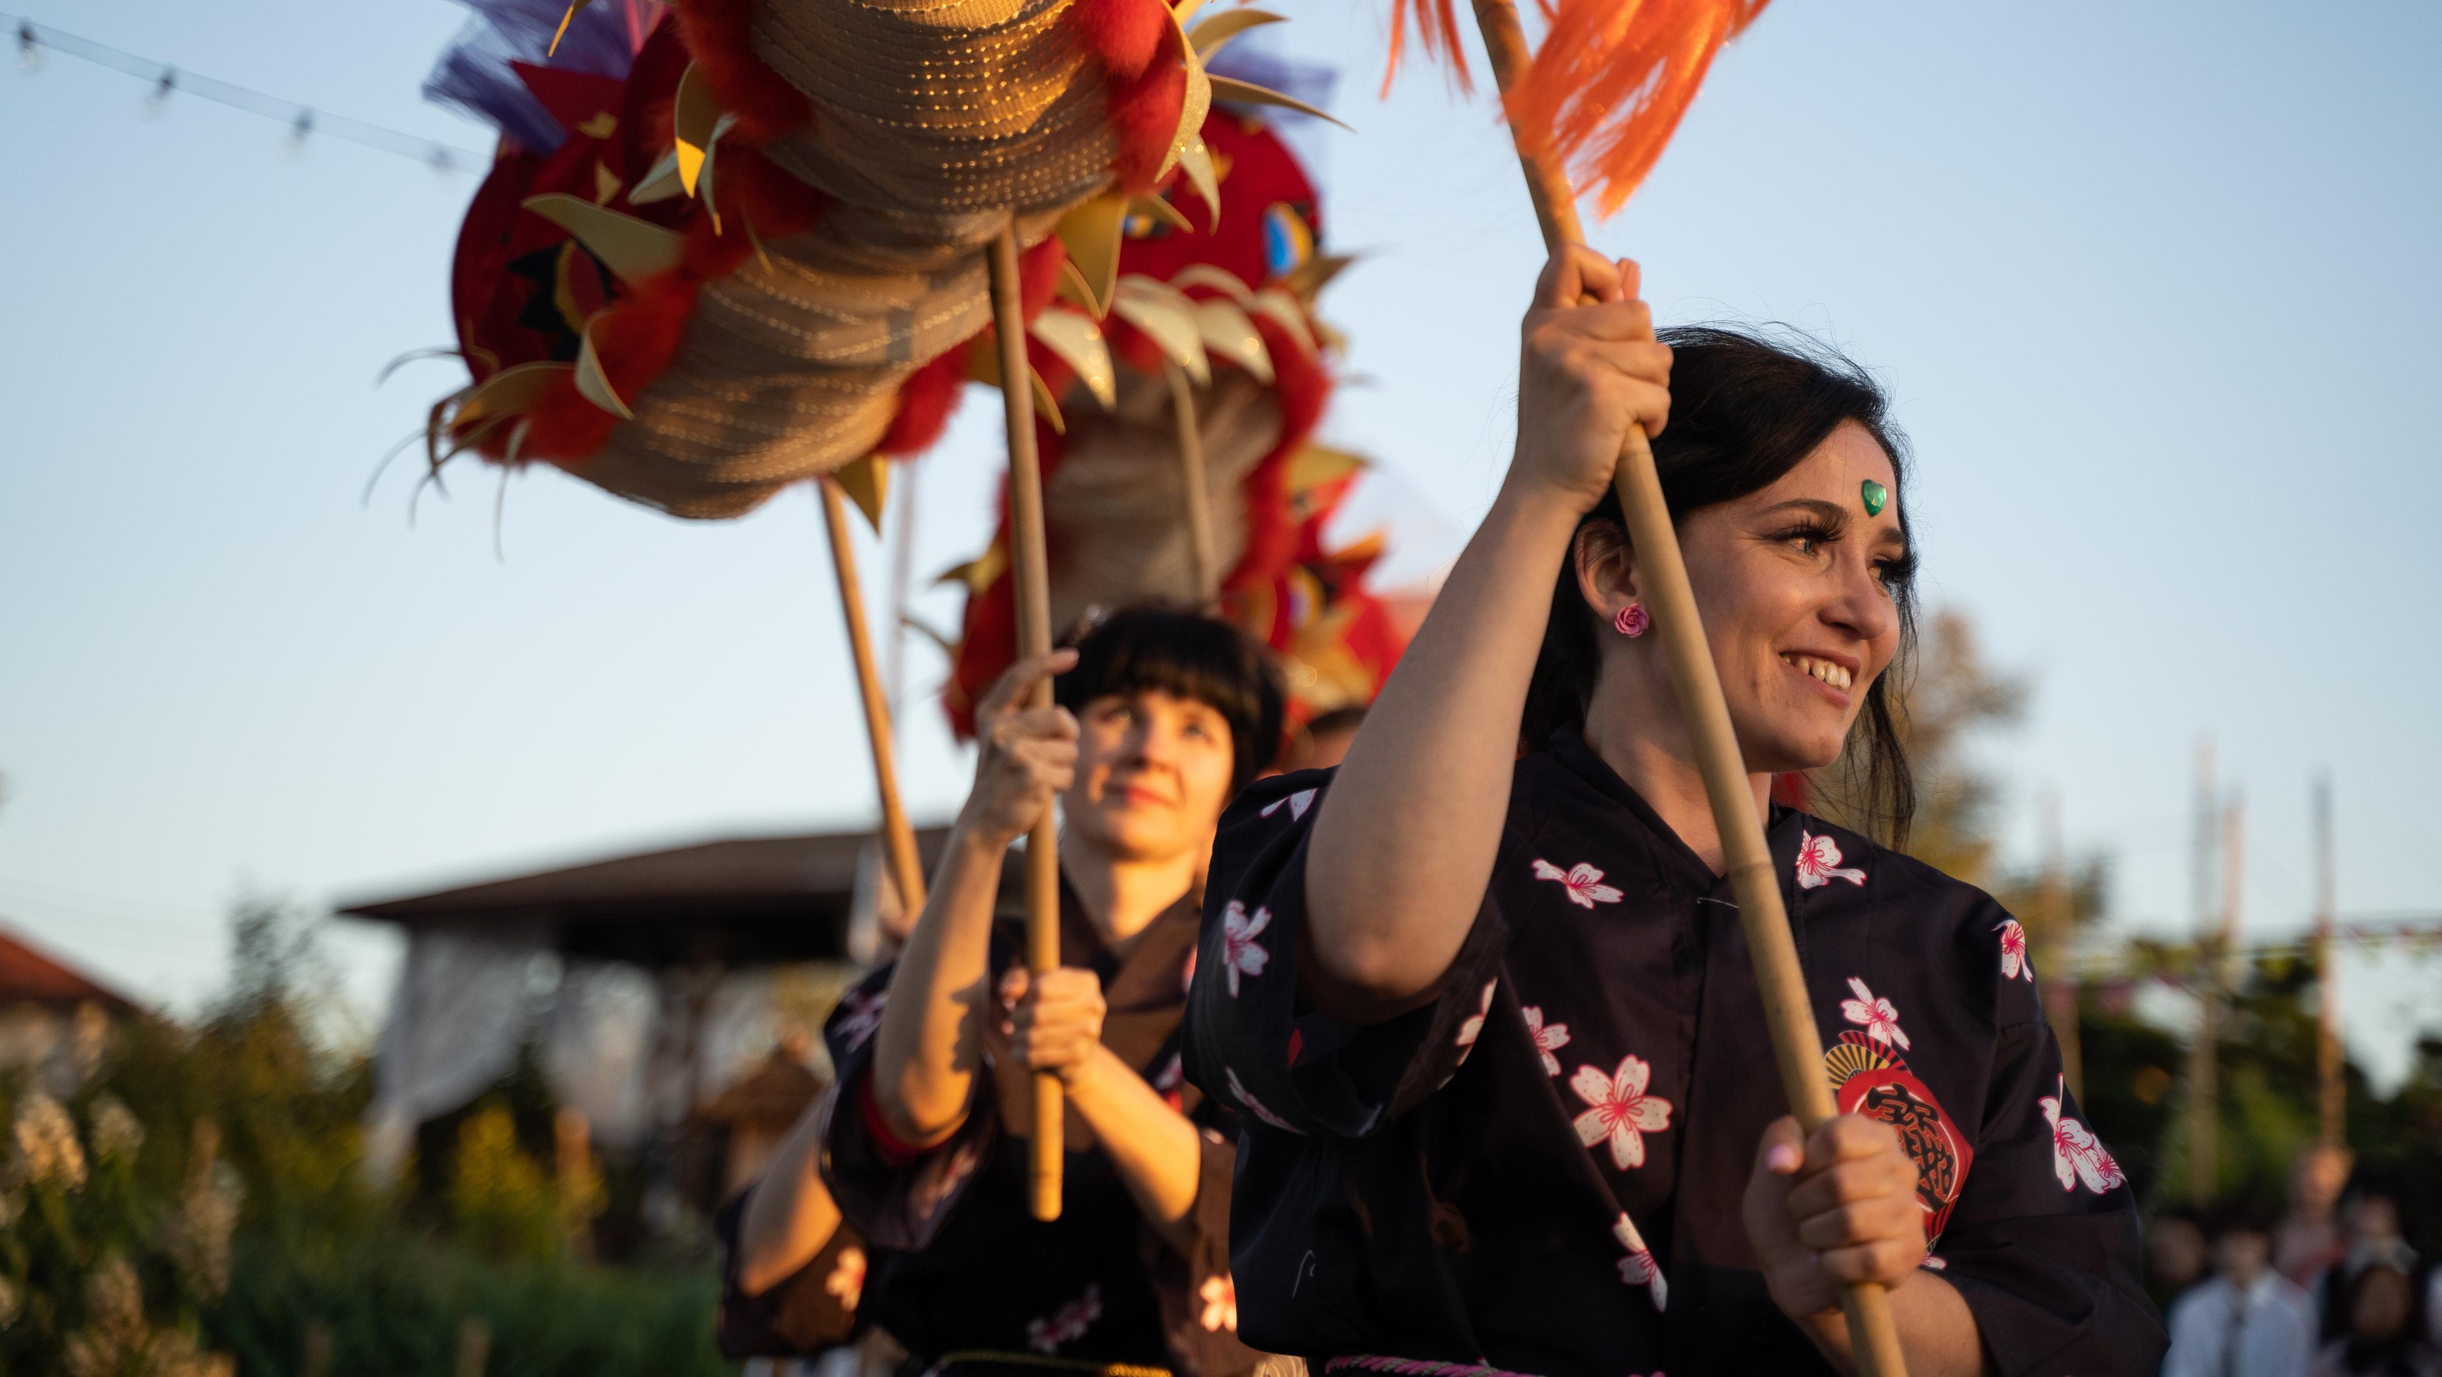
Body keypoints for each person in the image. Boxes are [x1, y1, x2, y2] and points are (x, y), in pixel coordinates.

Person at [1183, 246, 2167, 1377]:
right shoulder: (1404, 845)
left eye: (1884, 565)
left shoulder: (1949, 949)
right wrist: (1543, 485)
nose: (1867, 613)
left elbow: (2077, 1320)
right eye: (1806, 540)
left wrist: (1862, 1301)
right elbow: (1365, 948)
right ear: (1618, 578)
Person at [716, 607, 1288, 1376]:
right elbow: (774, 1254)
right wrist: (979, 838)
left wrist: (1084, 1067)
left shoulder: (1265, 979)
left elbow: (1262, 1220)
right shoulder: (962, 954)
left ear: (1238, 780)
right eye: (1118, 712)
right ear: (1056, 742)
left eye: (1196, 729)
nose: (1150, 750)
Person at [2165, 1202, 2317, 1377]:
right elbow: (2181, 1369)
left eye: (2244, 1243)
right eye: (2225, 1243)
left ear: (2265, 1243)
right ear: (2213, 1249)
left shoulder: (2294, 1307)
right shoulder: (2192, 1307)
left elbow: (2297, 1370)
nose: (2233, 1254)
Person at [2323, 1180, 2442, 1354]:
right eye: (2364, 1205)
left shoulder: (2436, 1280)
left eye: (2381, 1208)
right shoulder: (2328, 1281)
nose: (2371, 1217)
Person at [2317, 1260, 2442, 1377]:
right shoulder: (2332, 1360)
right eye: (2373, 1299)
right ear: (2353, 1306)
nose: (2382, 1309)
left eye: (2391, 1299)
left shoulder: (2425, 1364)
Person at [2277, 1145, 2355, 1288]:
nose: (2308, 1196)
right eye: (2304, 1185)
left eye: (2318, 1190)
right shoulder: (2270, 1235)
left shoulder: (2349, 1242)